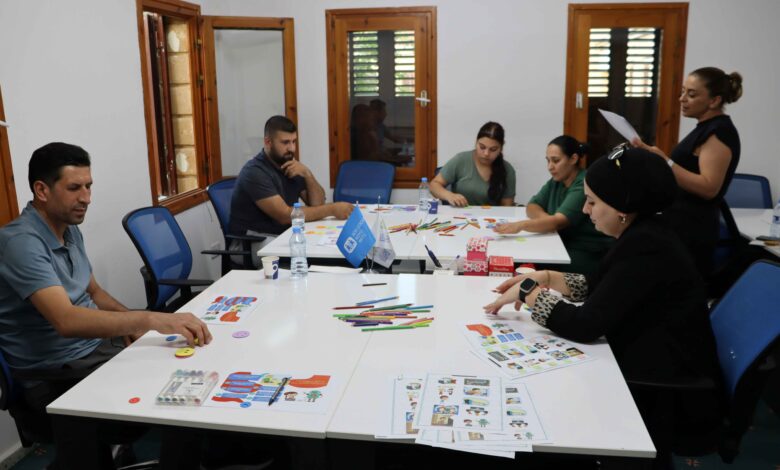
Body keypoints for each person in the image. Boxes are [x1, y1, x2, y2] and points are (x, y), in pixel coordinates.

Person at [484, 147, 722, 465]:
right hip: (649, 353)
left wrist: (529, 292)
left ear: (622, 207)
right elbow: (600, 285)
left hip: (659, 381)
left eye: (593, 202)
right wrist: (546, 277)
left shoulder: (646, 247)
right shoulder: (645, 231)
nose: (585, 210)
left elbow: (585, 324)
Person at [0, 142, 213, 468]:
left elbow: (95, 293)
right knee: (180, 399)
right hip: (55, 376)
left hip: (93, 353)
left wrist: (134, 323)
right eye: (74, 188)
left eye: (88, 186)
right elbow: (66, 321)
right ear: (42, 190)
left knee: (191, 372)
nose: (86, 198)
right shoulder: (21, 244)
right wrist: (148, 320)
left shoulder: (68, 229)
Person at [632, 67, 742, 275]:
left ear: (714, 100)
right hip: (678, 222)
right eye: (683, 92)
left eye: (691, 94)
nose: (682, 99)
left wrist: (665, 161)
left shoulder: (719, 132)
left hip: (693, 228)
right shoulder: (704, 128)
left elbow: (709, 188)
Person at [229, 115, 354, 266]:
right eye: (285, 142)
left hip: (282, 235)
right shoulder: (255, 172)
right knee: (319, 259)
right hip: (253, 243)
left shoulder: (288, 165)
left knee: (335, 251)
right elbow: (285, 215)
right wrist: (332, 209)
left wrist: (307, 174)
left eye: (294, 141)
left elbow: (317, 203)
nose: (292, 148)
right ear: (268, 142)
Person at [493, 135, 612, 276]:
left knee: (522, 264)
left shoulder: (583, 184)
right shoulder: (557, 181)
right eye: (548, 161)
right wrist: (548, 221)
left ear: (573, 159)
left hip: (585, 252)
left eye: (556, 161)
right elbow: (532, 206)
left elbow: (559, 222)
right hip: (560, 243)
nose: (550, 167)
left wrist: (521, 225)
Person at [430, 122, 516, 207]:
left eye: (493, 149)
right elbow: (434, 185)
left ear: (501, 148)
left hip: (491, 215)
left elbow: (507, 205)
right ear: (476, 143)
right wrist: (449, 195)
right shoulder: (461, 160)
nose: (486, 153)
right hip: (460, 213)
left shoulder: (507, 170)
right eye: (482, 147)